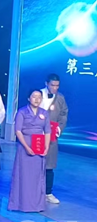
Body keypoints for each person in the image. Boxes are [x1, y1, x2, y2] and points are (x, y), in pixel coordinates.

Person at [8, 87, 51, 212]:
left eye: (39, 97)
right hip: (25, 146)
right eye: (34, 97)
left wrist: (46, 147)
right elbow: (18, 131)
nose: (36, 99)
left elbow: (47, 131)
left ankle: (37, 205)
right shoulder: (22, 112)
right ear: (28, 98)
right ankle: (21, 204)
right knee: (24, 176)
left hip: (39, 146)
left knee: (37, 177)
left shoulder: (44, 113)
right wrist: (27, 147)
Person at [40, 73, 68, 204]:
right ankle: (33, 190)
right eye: (52, 85)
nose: (55, 88)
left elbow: (63, 114)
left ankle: (48, 192)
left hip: (51, 136)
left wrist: (58, 129)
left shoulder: (60, 98)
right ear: (46, 83)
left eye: (57, 86)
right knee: (34, 163)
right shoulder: (38, 95)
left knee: (49, 165)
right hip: (37, 135)